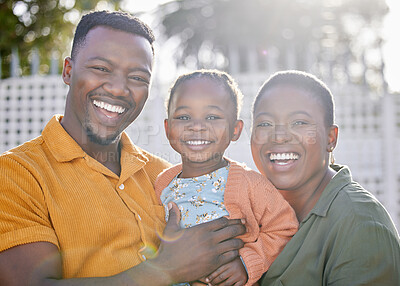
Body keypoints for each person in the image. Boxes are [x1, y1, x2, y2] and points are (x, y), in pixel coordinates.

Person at [0, 11, 247, 285]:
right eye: (101, 69)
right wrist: (165, 269)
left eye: (138, 78)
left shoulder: (165, 176)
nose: (118, 89)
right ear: (68, 71)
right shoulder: (16, 174)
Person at [251, 70, 400, 285]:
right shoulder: (246, 211)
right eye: (265, 124)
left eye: (299, 122)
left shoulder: (360, 225)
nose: (279, 135)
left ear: (331, 138)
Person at [154, 69, 298, 286]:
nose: (197, 126)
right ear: (168, 128)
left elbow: (285, 228)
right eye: (184, 117)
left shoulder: (251, 184)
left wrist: (246, 263)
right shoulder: (163, 183)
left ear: (235, 129)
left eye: (212, 117)